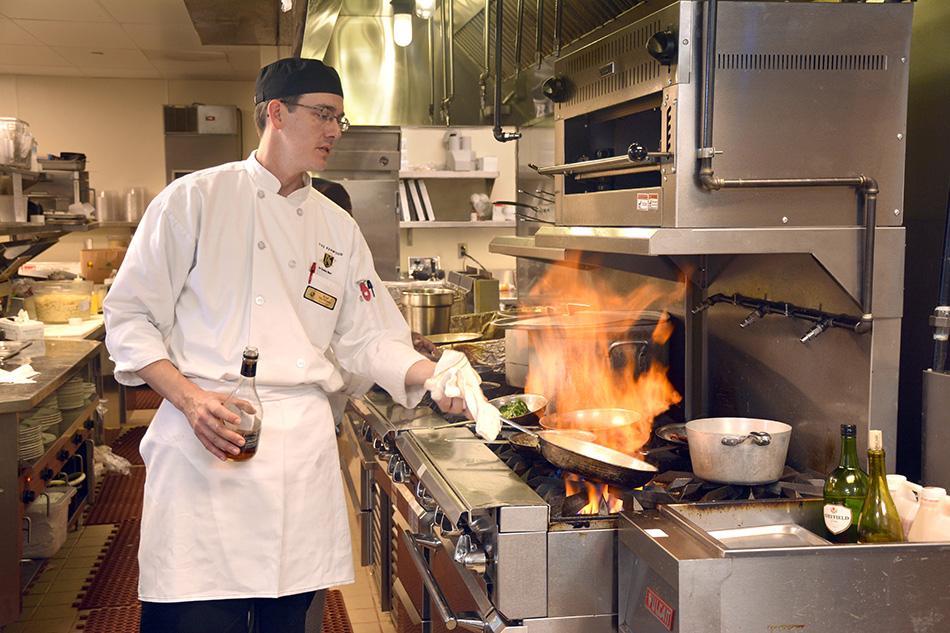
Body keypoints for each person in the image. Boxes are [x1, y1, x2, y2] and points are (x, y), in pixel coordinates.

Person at [102, 57, 493, 633]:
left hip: (300, 456)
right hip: (207, 441)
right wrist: (188, 400)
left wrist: (433, 375)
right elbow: (129, 317)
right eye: (323, 115)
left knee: (289, 619)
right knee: (197, 617)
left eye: (340, 118)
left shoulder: (337, 226)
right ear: (276, 114)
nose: (335, 131)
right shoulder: (194, 201)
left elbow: (369, 336)